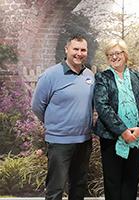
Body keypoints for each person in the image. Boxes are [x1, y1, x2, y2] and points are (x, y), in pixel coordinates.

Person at [31, 34, 94, 200]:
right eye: (75, 49)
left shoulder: (89, 75)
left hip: (84, 141)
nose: (79, 53)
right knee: (55, 189)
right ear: (66, 49)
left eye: (83, 50)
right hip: (59, 142)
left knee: (79, 187)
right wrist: (55, 124)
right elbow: (37, 106)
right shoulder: (50, 75)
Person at [93, 38, 139, 200]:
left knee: (131, 181)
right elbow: (102, 106)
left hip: (137, 138)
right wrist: (123, 131)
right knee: (113, 182)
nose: (114, 57)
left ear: (125, 55)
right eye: (110, 54)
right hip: (111, 138)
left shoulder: (137, 76)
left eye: (117, 53)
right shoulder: (102, 78)